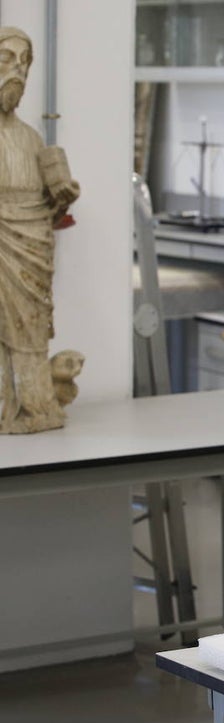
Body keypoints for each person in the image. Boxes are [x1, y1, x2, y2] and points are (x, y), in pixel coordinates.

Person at [0, 26, 82, 434]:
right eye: (6, 59)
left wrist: (60, 197)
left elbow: (48, 211)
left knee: (30, 329)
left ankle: (36, 407)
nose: (17, 72)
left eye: (24, 63)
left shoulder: (33, 139)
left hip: (30, 252)